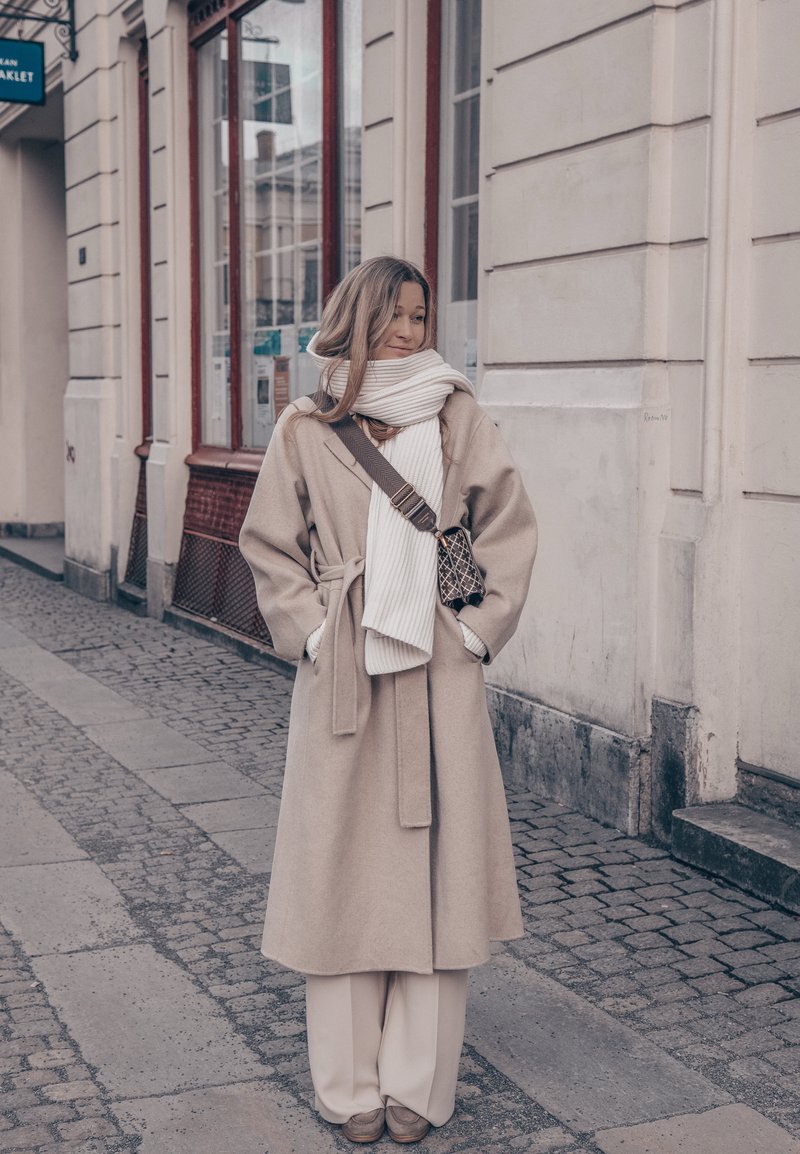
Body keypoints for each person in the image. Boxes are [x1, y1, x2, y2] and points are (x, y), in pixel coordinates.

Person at [239, 256, 537, 1145]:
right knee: (339, 878)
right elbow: (270, 545)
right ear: (357, 320)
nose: (411, 331)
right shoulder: (306, 425)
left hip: (438, 681)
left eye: (421, 314)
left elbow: (507, 529)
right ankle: (348, 1086)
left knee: (442, 878)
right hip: (347, 679)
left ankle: (418, 1085)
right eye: (395, 315)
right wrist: (320, 635)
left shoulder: (457, 413)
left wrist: (476, 633)